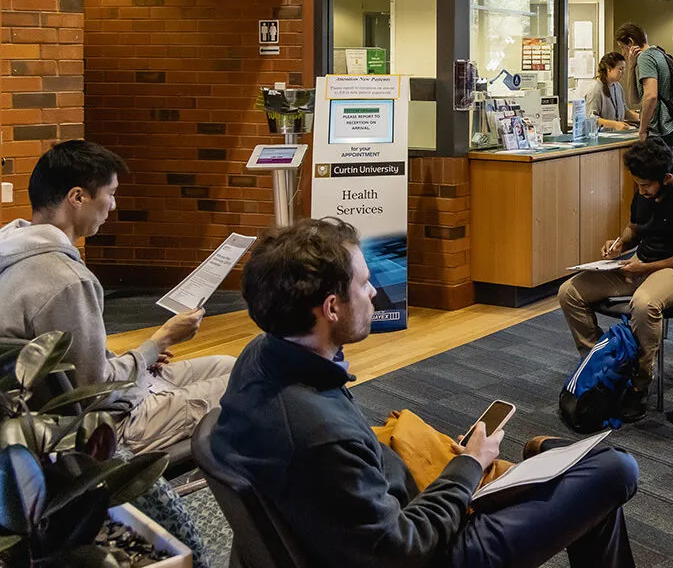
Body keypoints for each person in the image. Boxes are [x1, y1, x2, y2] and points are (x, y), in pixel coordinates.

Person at [212, 218, 639, 567]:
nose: (374, 292)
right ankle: (569, 458)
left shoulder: (262, 357)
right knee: (615, 470)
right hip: (434, 552)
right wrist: (468, 468)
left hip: (384, 518)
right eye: (363, 284)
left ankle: (565, 460)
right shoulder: (317, 432)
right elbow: (403, 549)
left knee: (593, 494)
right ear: (330, 308)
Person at [0, 140, 230, 455]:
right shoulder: (66, 280)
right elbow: (95, 392)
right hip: (105, 427)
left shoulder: (12, 251)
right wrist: (159, 342)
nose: (113, 205)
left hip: (44, 414)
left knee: (228, 364)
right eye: (110, 194)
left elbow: (75, 368)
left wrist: (139, 358)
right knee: (244, 383)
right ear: (77, 197)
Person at [558, 138, 673, 421]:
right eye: (637, 185)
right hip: (639, 265)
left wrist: (647, 266)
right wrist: (618, 243)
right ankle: (601, 365)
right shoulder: (644, 193)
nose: (640, 191)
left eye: (645, 185)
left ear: (666, 178)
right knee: (569, 292)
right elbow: (635, 228)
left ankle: (639, 385)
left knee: (643, 304)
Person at [615, 23, 673, 161]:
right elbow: (633, 99)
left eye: (623, 47)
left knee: (657, 177)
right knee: (671, 176)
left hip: (661, 129)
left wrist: (642, 129)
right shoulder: (658, 53)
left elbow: (651, 96)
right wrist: (631, 66)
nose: (623, 53)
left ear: (630, 42)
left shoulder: (645, 58)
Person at [586, 52, 641, 132]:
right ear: (609, 69)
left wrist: (641, 117)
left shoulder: (618, 87)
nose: (623, 72)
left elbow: (624, 111)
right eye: (620, 69)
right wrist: (615, 124)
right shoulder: (595, 89)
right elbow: (590, 118)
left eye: (624, 69)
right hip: (602, 138)